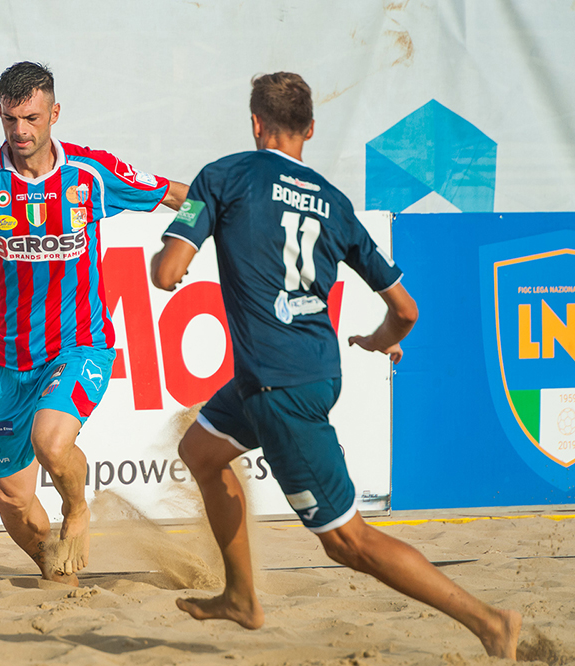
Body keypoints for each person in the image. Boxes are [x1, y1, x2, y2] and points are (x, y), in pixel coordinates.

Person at [149, 72, 521, 659]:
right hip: (305, 370)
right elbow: (405, 310)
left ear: (254, 125)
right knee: (201, 450)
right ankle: (243, 596)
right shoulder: (333, 201)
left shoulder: (223, 176)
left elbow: (167, 274)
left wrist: (170, 256)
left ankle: (489, 621)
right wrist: (378, 340)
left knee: (348, 542)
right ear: (311, 130)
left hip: (280, 386)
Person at [0, 61, 188, 585]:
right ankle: (61, 581)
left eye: (30, 118)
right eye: (9, 120)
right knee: (8, 497)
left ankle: (77, 510)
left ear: (54, 113)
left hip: (80, 347)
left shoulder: (93, 173)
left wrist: (183, 247)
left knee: (52, 443)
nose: (20, 131)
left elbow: (186, 198)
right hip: (10, 364)